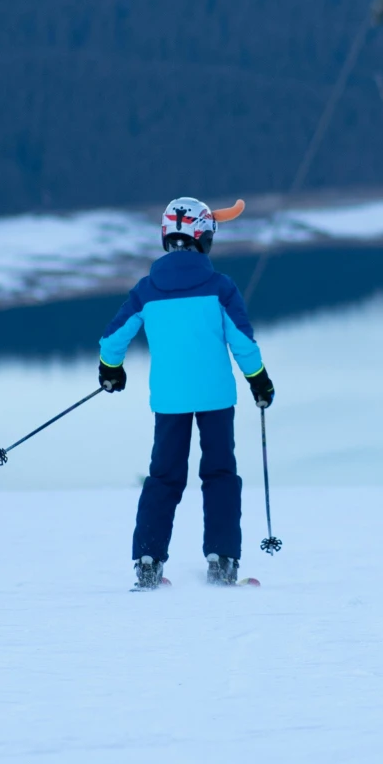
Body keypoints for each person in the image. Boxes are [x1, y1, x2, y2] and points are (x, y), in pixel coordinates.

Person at [98, 196, 275, 590]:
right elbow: (243, 344)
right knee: (219, 474)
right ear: (204, 238)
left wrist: (111, 369)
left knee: (164, 477)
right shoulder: (220, 288)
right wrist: (259, 380)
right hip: (215, 398)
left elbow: (113, 338)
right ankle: (222, 561)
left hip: (169, 401)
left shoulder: (147, 290)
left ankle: (148, 563)